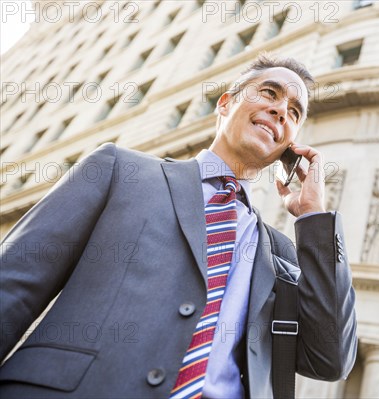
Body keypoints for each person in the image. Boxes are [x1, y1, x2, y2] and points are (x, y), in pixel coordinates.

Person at [0, 52, 357, 398]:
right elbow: (13, 286)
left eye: (295, 112)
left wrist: (314, 218)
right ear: (225, 104)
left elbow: (330, 360)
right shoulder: (119, 170)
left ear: (290, 143)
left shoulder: (279, 251)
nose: (281, 110)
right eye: (269, 93)